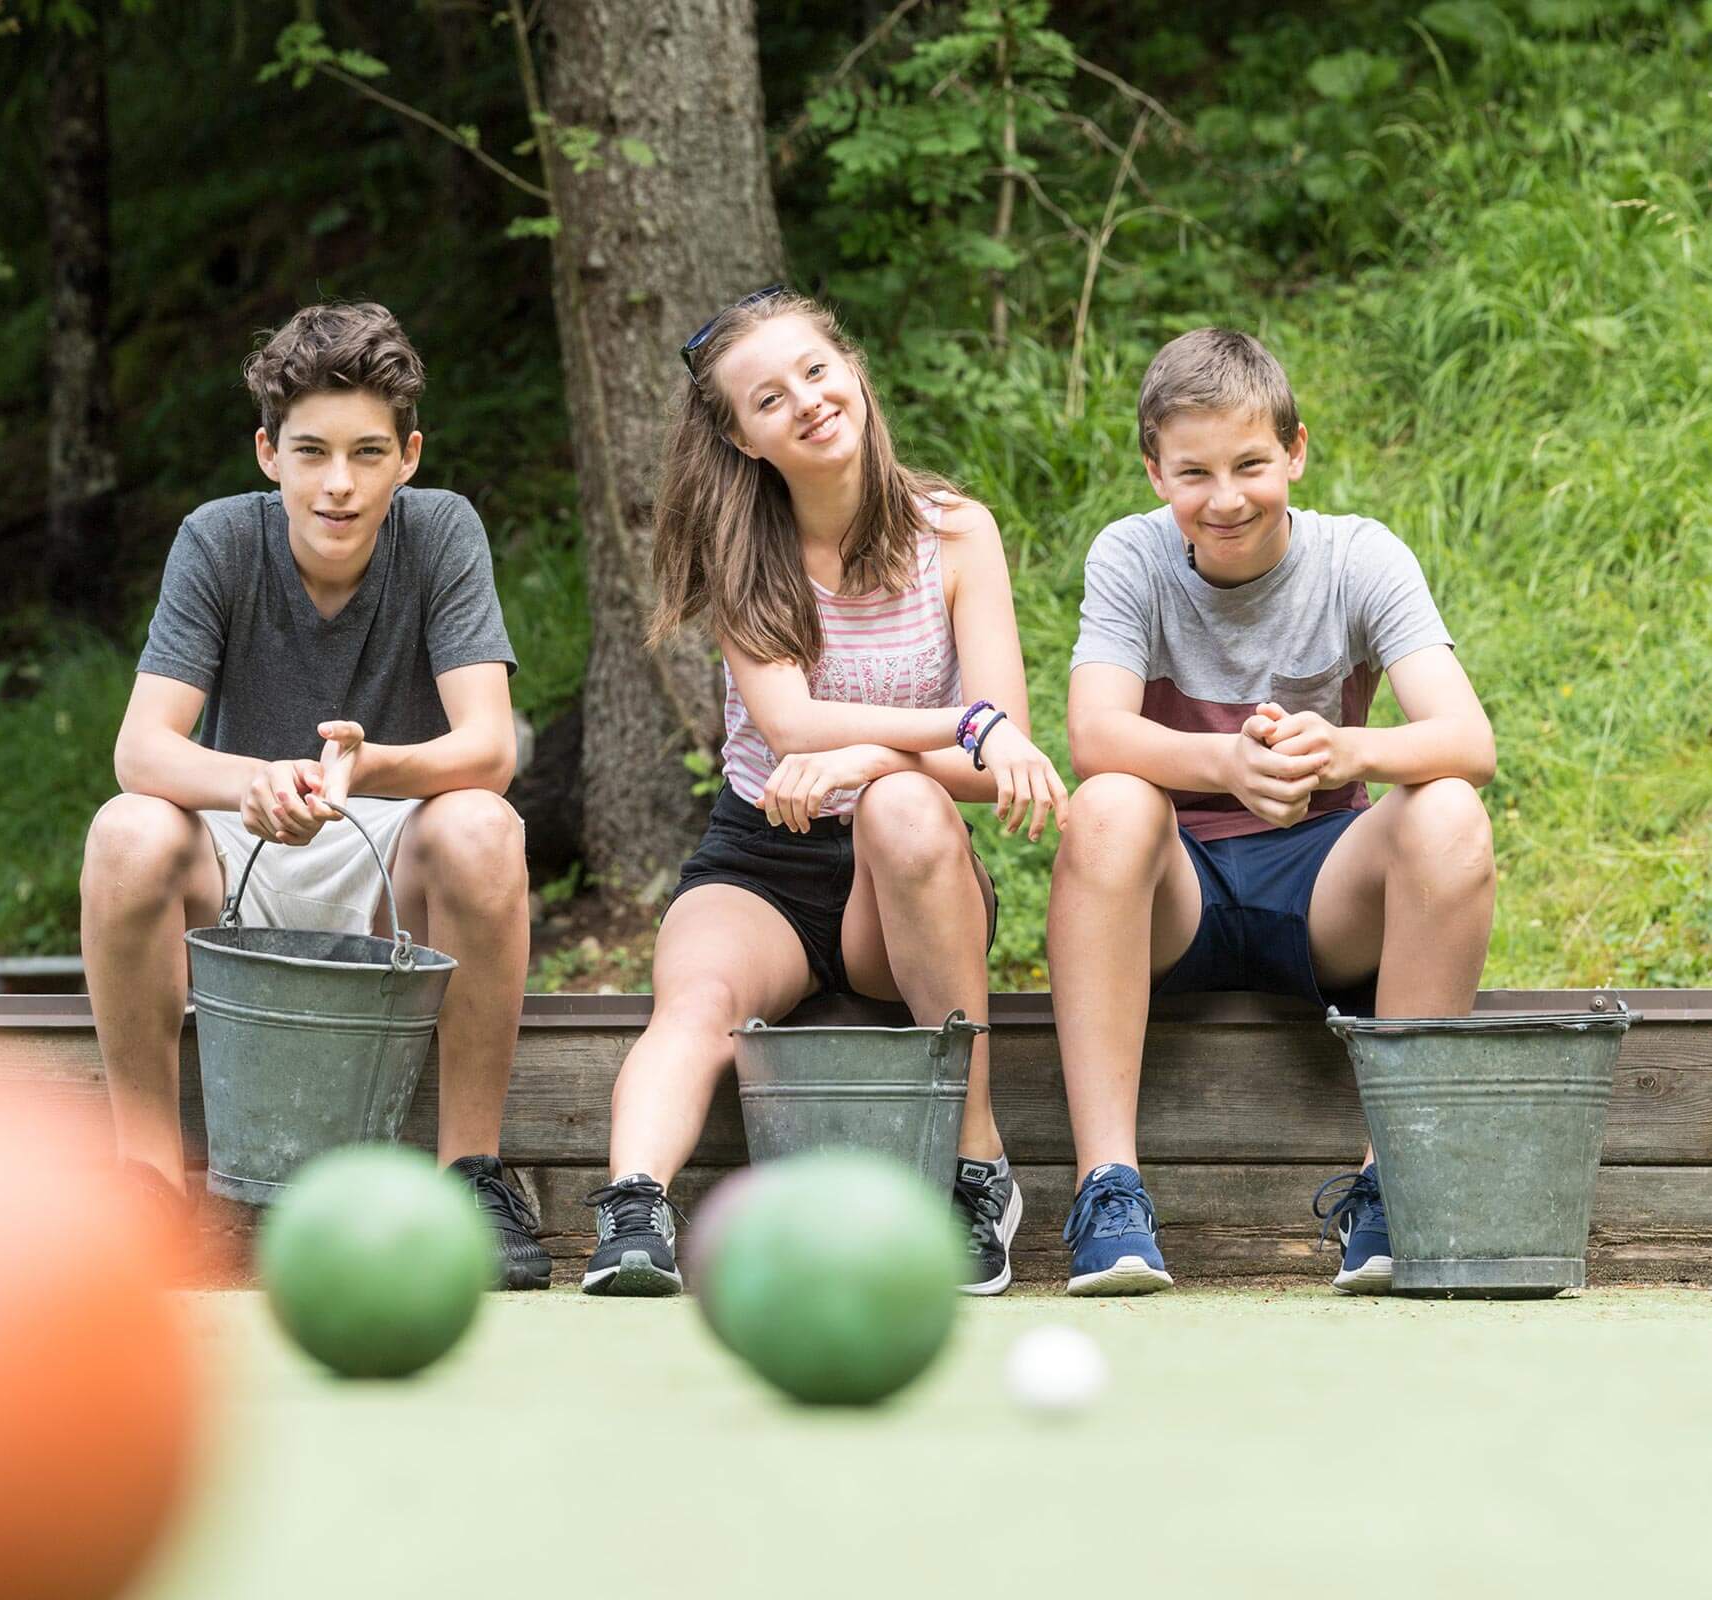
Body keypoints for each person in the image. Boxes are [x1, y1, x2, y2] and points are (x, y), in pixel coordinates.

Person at [581, 287, 1068, 1298]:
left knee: (897, 804)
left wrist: (878, 762)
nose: (804, 401)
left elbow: (994, 760)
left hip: (903, 875)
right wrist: (961, 725)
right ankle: (633, 1211)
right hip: (763, 856)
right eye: (768, 399)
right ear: (743, 438)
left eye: (814, 370)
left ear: (852, 372)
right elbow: (797, 728)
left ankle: (977, 1166)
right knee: (700, 995)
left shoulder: (957, 535)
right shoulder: (745, 556)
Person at [79, 301, 550, 1288]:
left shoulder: (442, 532)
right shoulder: (216, 540)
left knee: (482, 823)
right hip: (237, 856)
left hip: (390, 854)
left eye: (369, 453)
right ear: (268, 453)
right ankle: (149, 1189)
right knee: (125, 833)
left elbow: (489, 745)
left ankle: (471, 1174)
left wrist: (369, 767)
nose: (339, 483)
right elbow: (141, 751)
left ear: (410, 456)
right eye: (312, 452)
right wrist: (256, 780)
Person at [1048, 327, 1497, 1296]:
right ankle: (1108, 1188)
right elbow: (1094, 734)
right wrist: (1224, 763)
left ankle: (1395, 1187)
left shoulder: (1358, 557)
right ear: (1155, 471)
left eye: (1251, 464)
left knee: (1450, 810)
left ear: (1295, 451)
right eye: (1194, 471)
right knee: (1110, 802)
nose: (1226, 498)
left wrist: (1345, 748)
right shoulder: (1130, 556)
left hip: (1323, 884)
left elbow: (1468, 737)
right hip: (1180, 892)